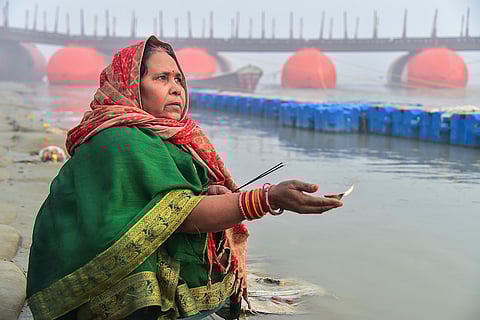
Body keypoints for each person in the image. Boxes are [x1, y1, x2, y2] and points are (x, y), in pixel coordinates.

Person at [26, 35, 343, 320]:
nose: (176, 87)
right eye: (161, 78)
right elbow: (180, 216)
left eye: (179, 78)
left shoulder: (175, 137)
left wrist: (208, 192)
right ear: (131, 85)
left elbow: (176, 199)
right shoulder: (121, 140)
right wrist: (267, 198)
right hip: (80, 276)